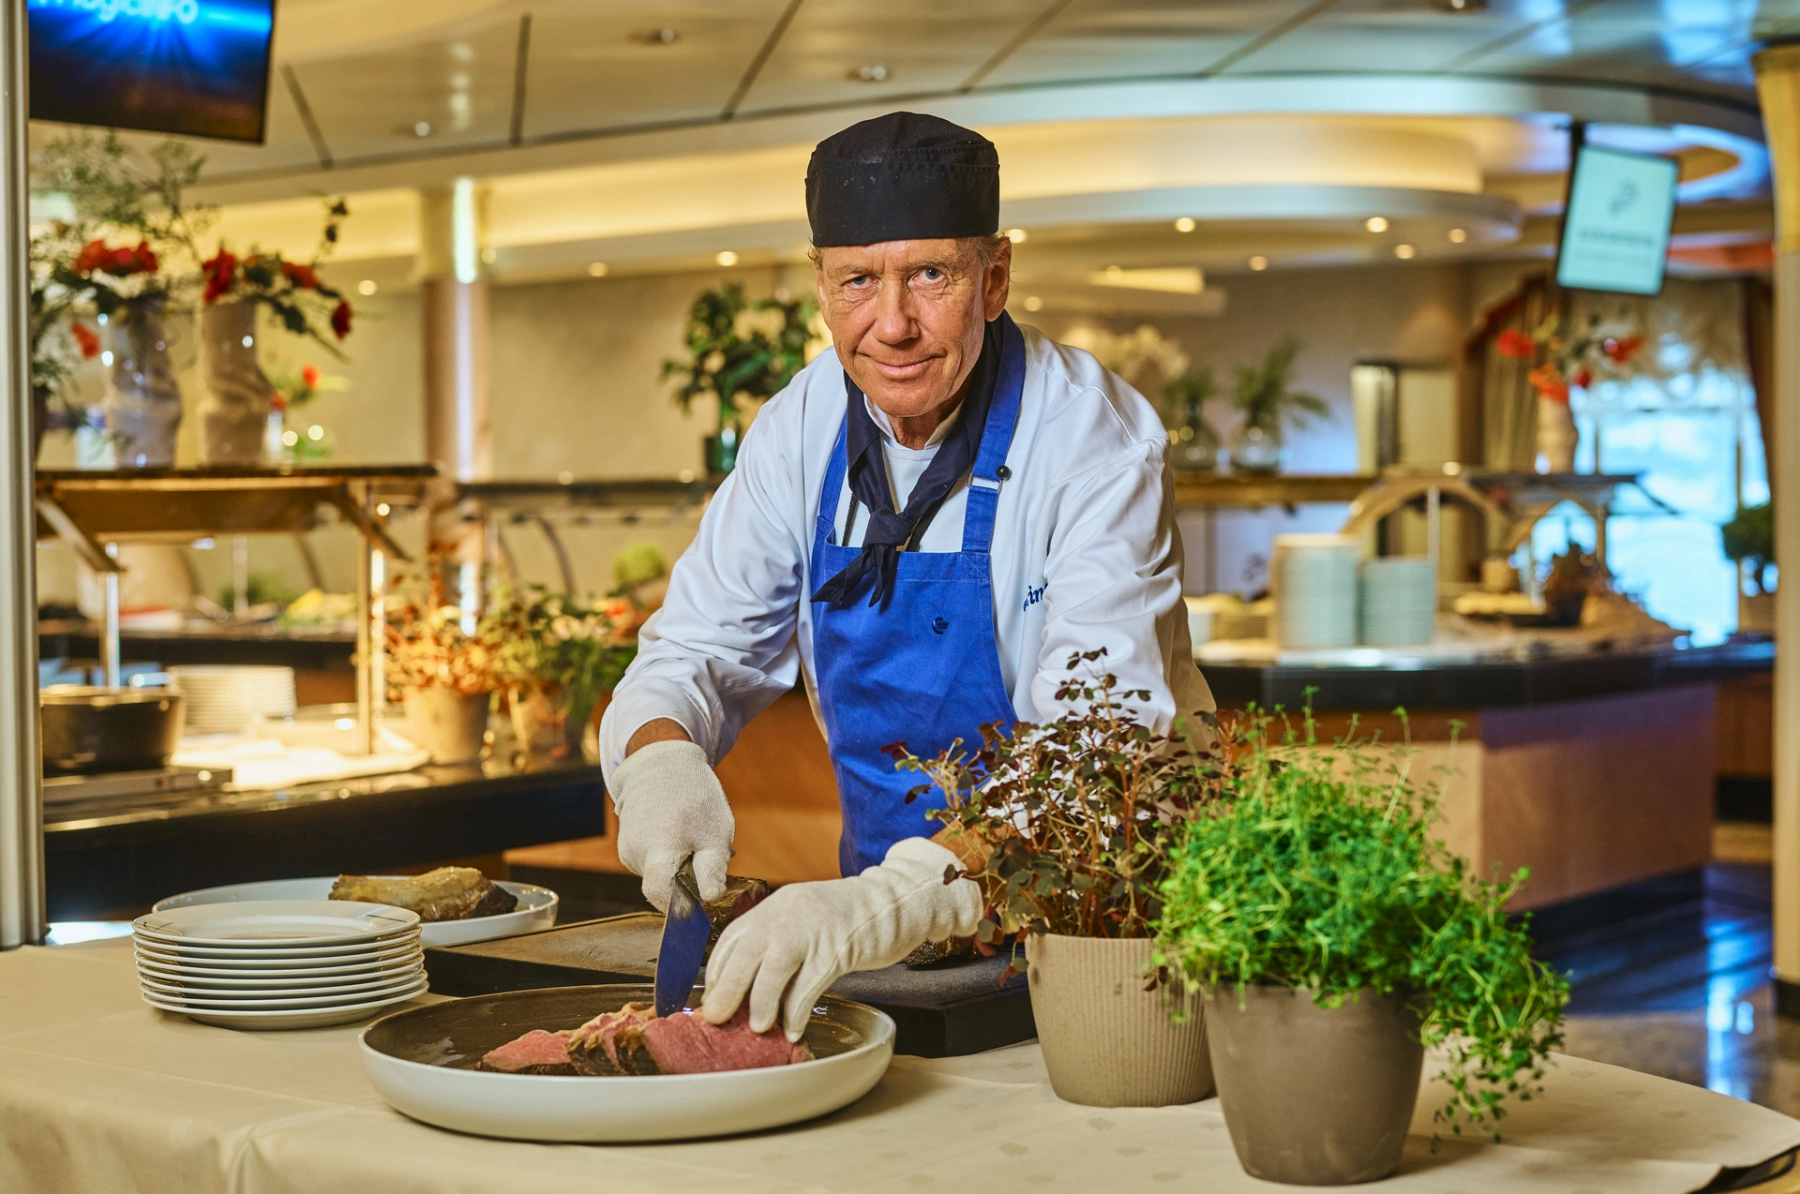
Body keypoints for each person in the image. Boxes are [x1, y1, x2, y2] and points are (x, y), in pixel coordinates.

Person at [598, 111, 1213, 1040]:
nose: (892, 324)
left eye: (931, 274)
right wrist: (659, 757)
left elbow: (1099, 759)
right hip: (897, 958)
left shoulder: (1093, 440)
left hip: (1104, 936)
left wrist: (887, 901)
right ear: (820, 286)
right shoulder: (797, 429)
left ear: (995, 276)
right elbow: (692, 648)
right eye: (857, 281)